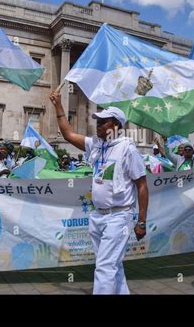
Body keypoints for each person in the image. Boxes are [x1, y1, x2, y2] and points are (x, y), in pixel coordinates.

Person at [49, 89, 148, 294]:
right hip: (98, 215)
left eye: (103, 121)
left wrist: (141, 222)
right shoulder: (95, 144)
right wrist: (58, 105)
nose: (98, 124)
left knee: (104, 268)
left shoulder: (128, 149)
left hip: (119, 216)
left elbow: (142, 186)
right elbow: (68, 134)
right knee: (113, 266)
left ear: (116, 125)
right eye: (98, 120)